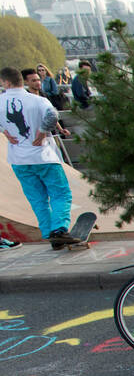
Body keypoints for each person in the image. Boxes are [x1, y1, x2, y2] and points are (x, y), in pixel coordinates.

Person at [1, 66, 74, 247]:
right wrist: (42, 131)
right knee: (60, 193)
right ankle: (59, 229)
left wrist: (3, 130)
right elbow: (52, 114)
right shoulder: (36, 100)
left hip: (19, 161)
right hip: (44, 157)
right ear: (21, 81)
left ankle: (49, 233)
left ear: (6, 82)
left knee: (37, 199)